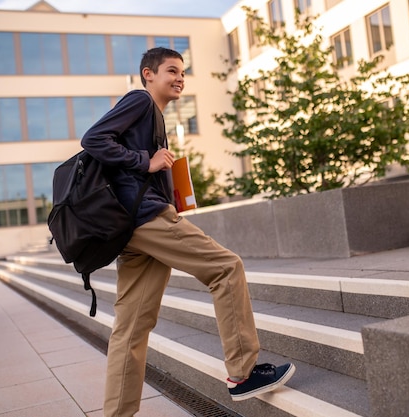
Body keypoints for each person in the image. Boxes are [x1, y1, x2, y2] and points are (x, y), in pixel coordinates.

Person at [81, 47, 295, 417]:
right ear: (148, 74)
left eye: (183, 72)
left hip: (132, 228)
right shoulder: (140, 101)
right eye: (171, 71)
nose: (179, 77)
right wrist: (144, 161)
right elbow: (94, 138)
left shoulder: (154, 117)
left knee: (131, 327)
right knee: (226, 269)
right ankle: (243, 374)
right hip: (147, 219)